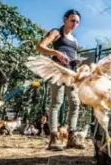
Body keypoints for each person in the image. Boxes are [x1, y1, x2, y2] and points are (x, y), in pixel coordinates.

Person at [36, 9, 85, 150]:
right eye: (72, 20)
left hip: (71, 72)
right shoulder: (56, 33)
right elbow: (40, 47)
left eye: (77, 22)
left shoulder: (75, 40)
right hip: (57, 70)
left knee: (75, 103)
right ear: (65, 19)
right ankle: (53, 138)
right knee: (56, 102)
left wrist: (75, 61)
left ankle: (71, 137)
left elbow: (71, 55)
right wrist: (56, 52)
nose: (75, 24)